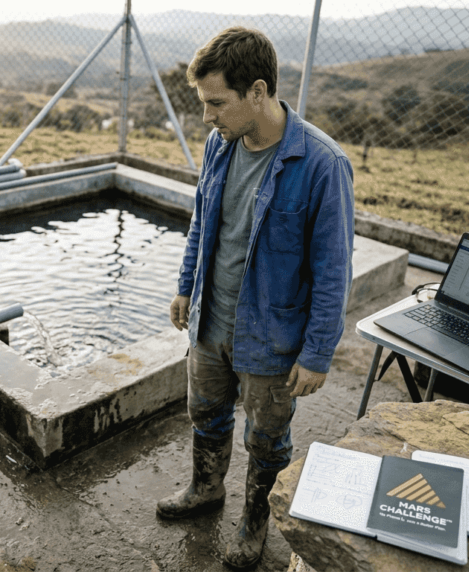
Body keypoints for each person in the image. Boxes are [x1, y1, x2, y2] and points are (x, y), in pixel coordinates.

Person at [156, 27, 354, 569]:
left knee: (267, 438)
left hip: (271, 336)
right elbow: (202, 219)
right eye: (202, 103)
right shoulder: (219, 145)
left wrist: (317, 353)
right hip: (209, 320)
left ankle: (254, 522)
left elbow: (334, 270)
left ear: (258, 91)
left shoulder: (321, 164)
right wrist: (184, 284)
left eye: (217, 103)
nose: (207, 117)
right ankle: (206, 489)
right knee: (206, 413)